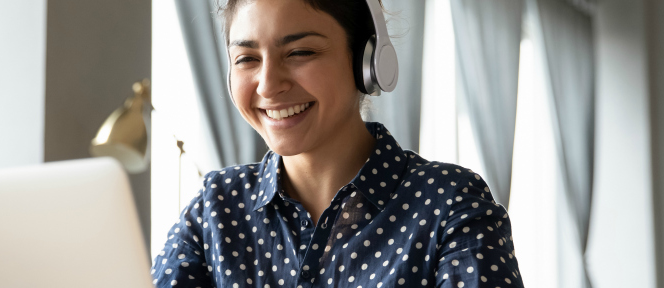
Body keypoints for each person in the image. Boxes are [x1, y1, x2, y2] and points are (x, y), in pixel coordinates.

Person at [151, 0, 523, 287]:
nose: (267, 85)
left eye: (300, 53)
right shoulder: (214, 209)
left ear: (367, 62)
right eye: (247, 58)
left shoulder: (450, 206)